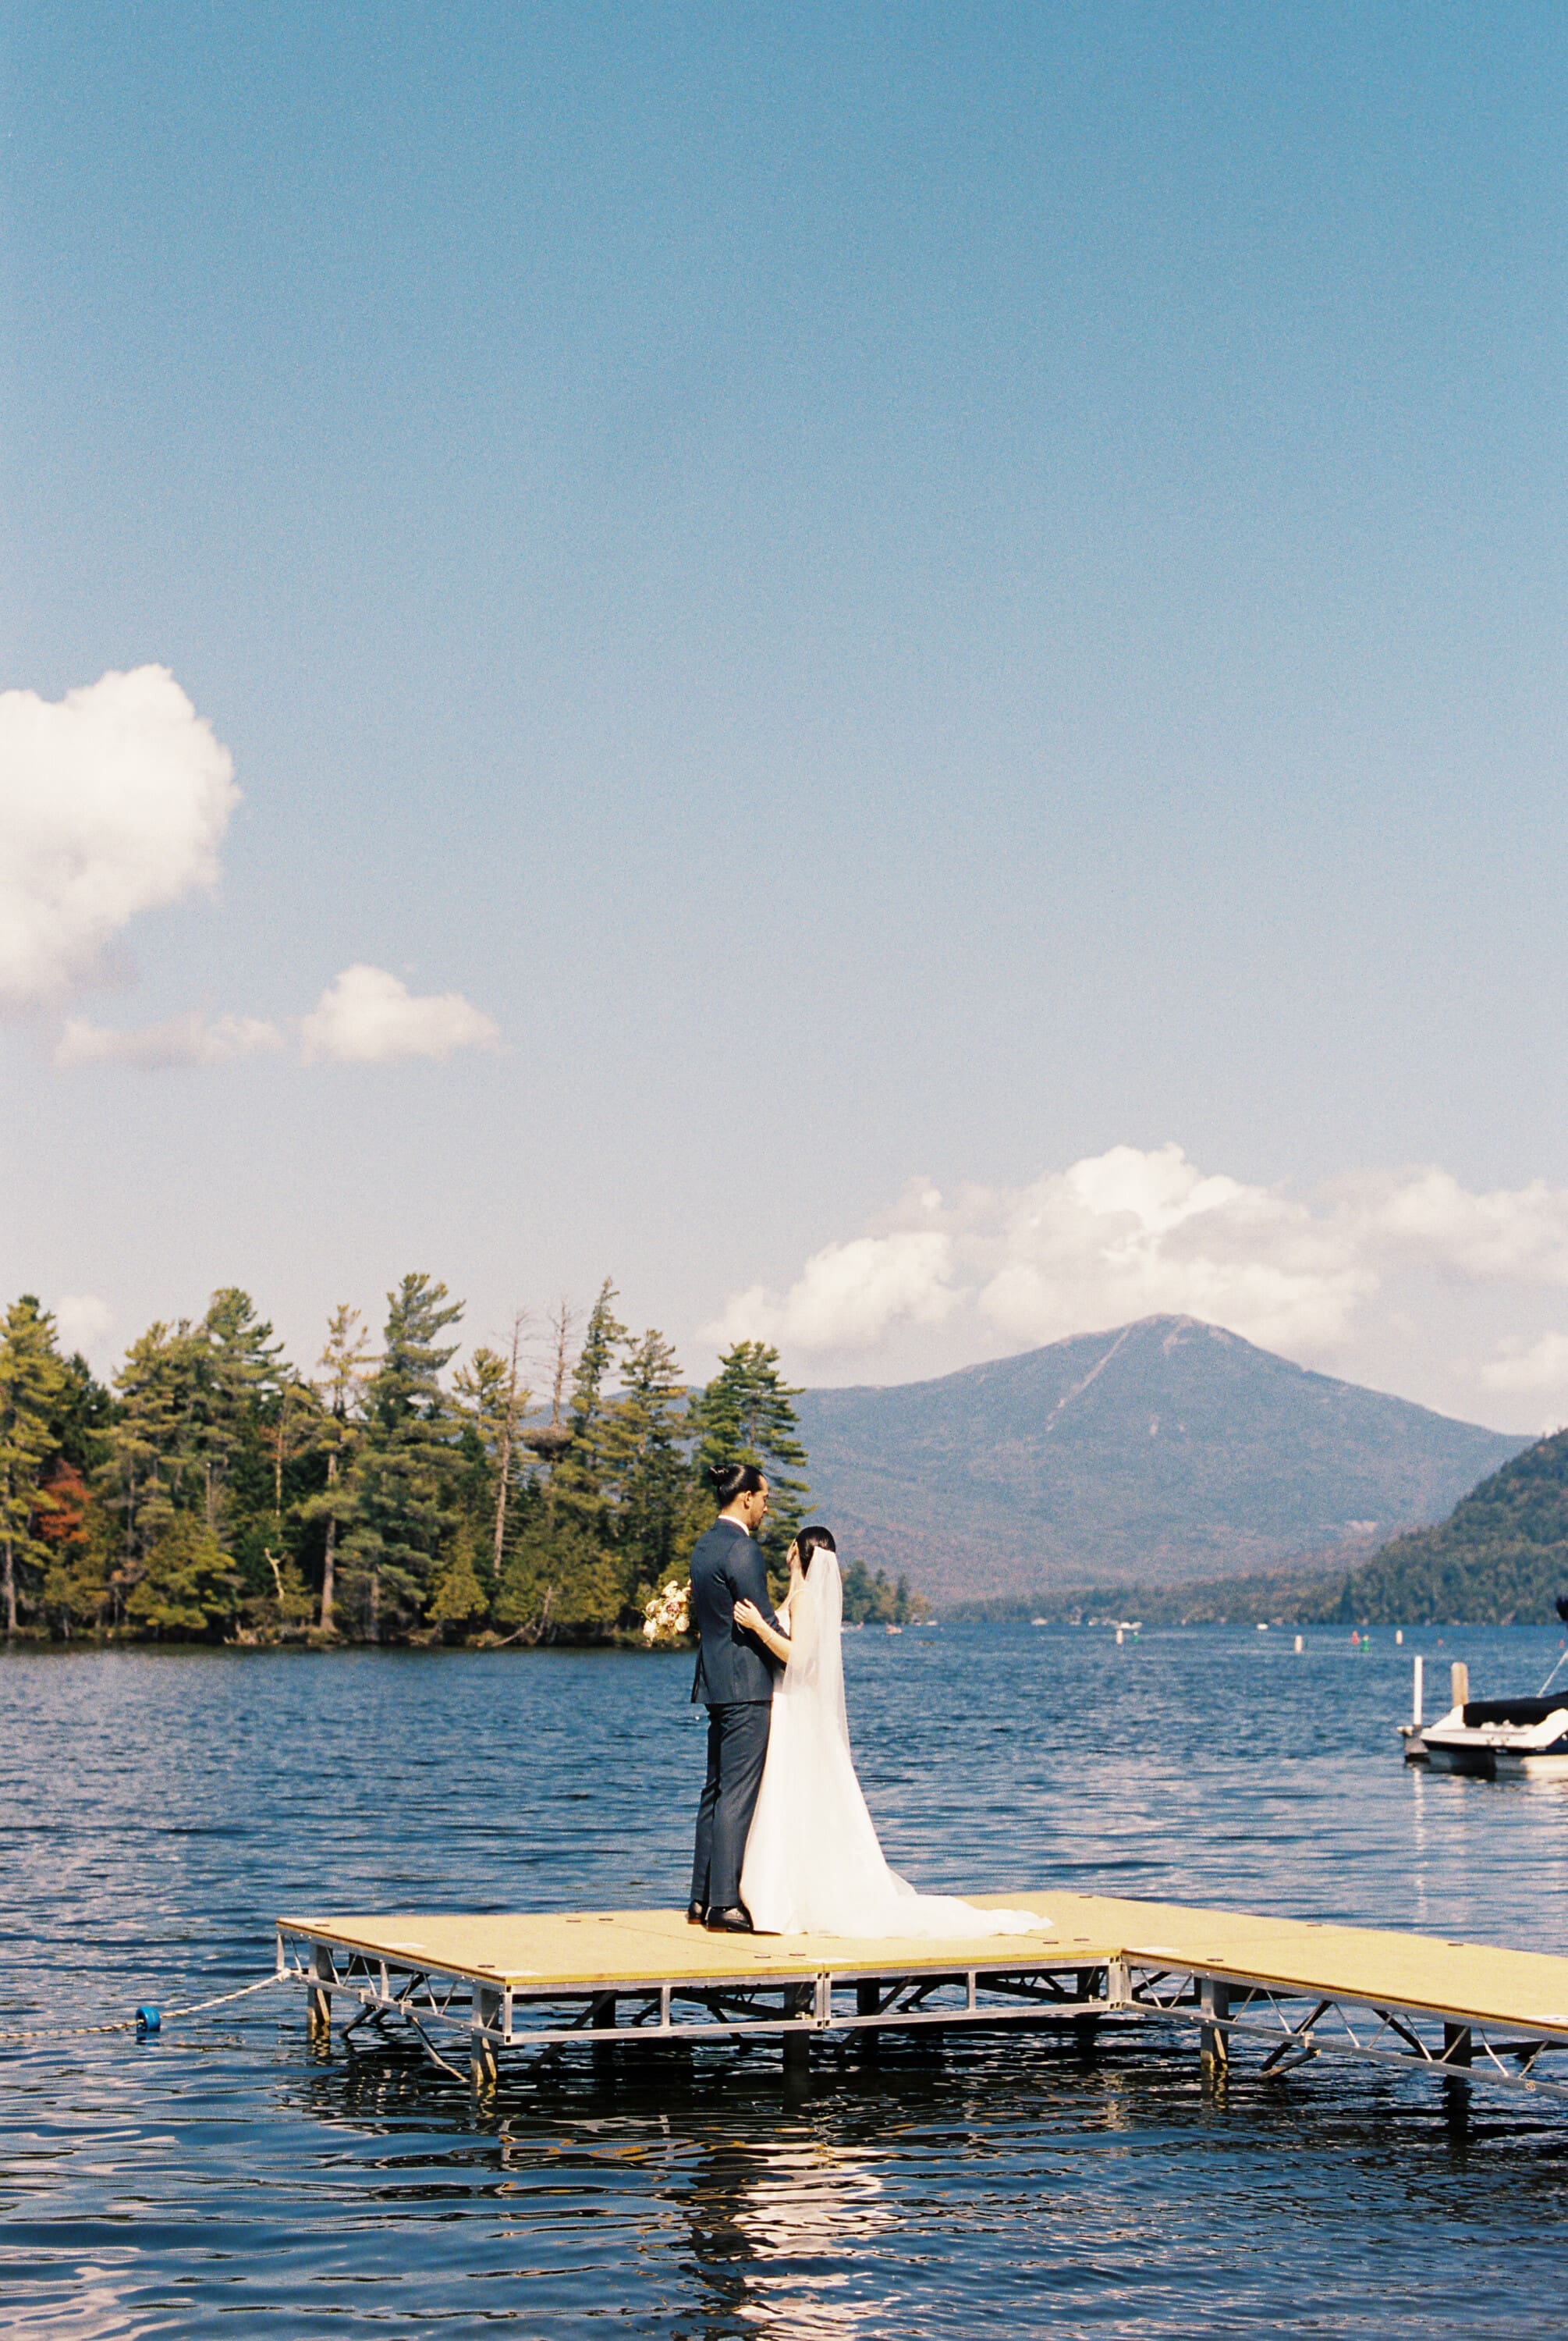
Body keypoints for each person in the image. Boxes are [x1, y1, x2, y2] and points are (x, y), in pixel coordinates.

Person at [735, 1528, 1051, 1940]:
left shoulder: (806, 1599)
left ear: (795, 1551)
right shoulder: (800, 1597)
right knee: (792, 1795)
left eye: (791, 1545)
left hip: (795, 1707)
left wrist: (760, 1627)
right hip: (789, 1706)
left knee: (792, 1792)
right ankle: (786, 1888)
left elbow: (802, 1657)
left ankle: (787, 1895)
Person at [686, 1462, 782, 1933]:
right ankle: (725, 1903)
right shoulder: (743, 1550)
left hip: (715, 1683)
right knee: (737, 1795)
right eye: (764, 1498)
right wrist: (799, 1656)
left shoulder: (704, 1546)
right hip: (747, 1685)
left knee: (715, 1790)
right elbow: (758, 1616)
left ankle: (700, 1899)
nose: (767, 1506)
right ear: (745, 1497)